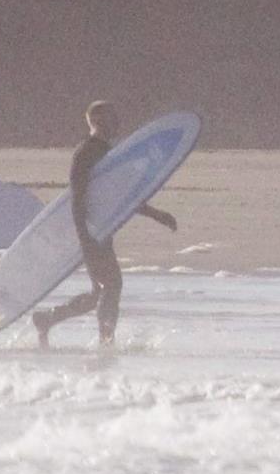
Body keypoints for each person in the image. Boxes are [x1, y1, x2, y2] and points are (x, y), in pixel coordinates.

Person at [30, 99, 179, 352]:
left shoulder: (106, 152)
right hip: (90, 230)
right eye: (112, 118)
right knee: (112, 285)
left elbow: (120, 196)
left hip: (99, 230)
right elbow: (77, 197)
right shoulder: (87, 152)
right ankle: (106, 342)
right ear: (97, 122)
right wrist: (85, 235)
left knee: (98, 293)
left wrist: (156, 214)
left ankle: (47, 319)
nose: (118, 122)